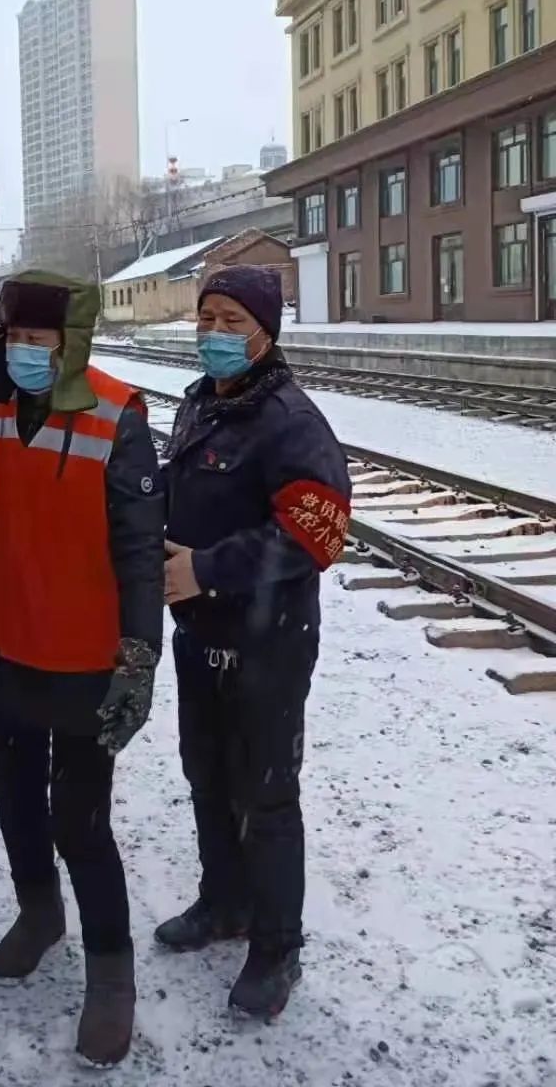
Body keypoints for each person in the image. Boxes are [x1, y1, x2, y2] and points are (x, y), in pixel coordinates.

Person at [0, 272, 164, 1066]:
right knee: (15, 795)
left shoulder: (116, 419)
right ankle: (40, 913)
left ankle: (111, 975)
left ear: (70, 345)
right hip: (2, 639)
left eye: (38, 340)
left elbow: (141, 553)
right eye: (13, 338)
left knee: (80, 819)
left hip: (82, 655)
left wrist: (139, 657)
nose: (22, 352)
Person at [154, 265, 350, 1019]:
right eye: (206, 318)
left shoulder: (291, 422)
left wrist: (206, 569)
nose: (215, 334)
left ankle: (276, 949)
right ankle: (224, 903)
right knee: (206, 776)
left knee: (266, 795)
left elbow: (316, 533)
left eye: (232, 321)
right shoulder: (201, 403)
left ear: (266, 332)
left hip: (270, 642)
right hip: (199, 634)